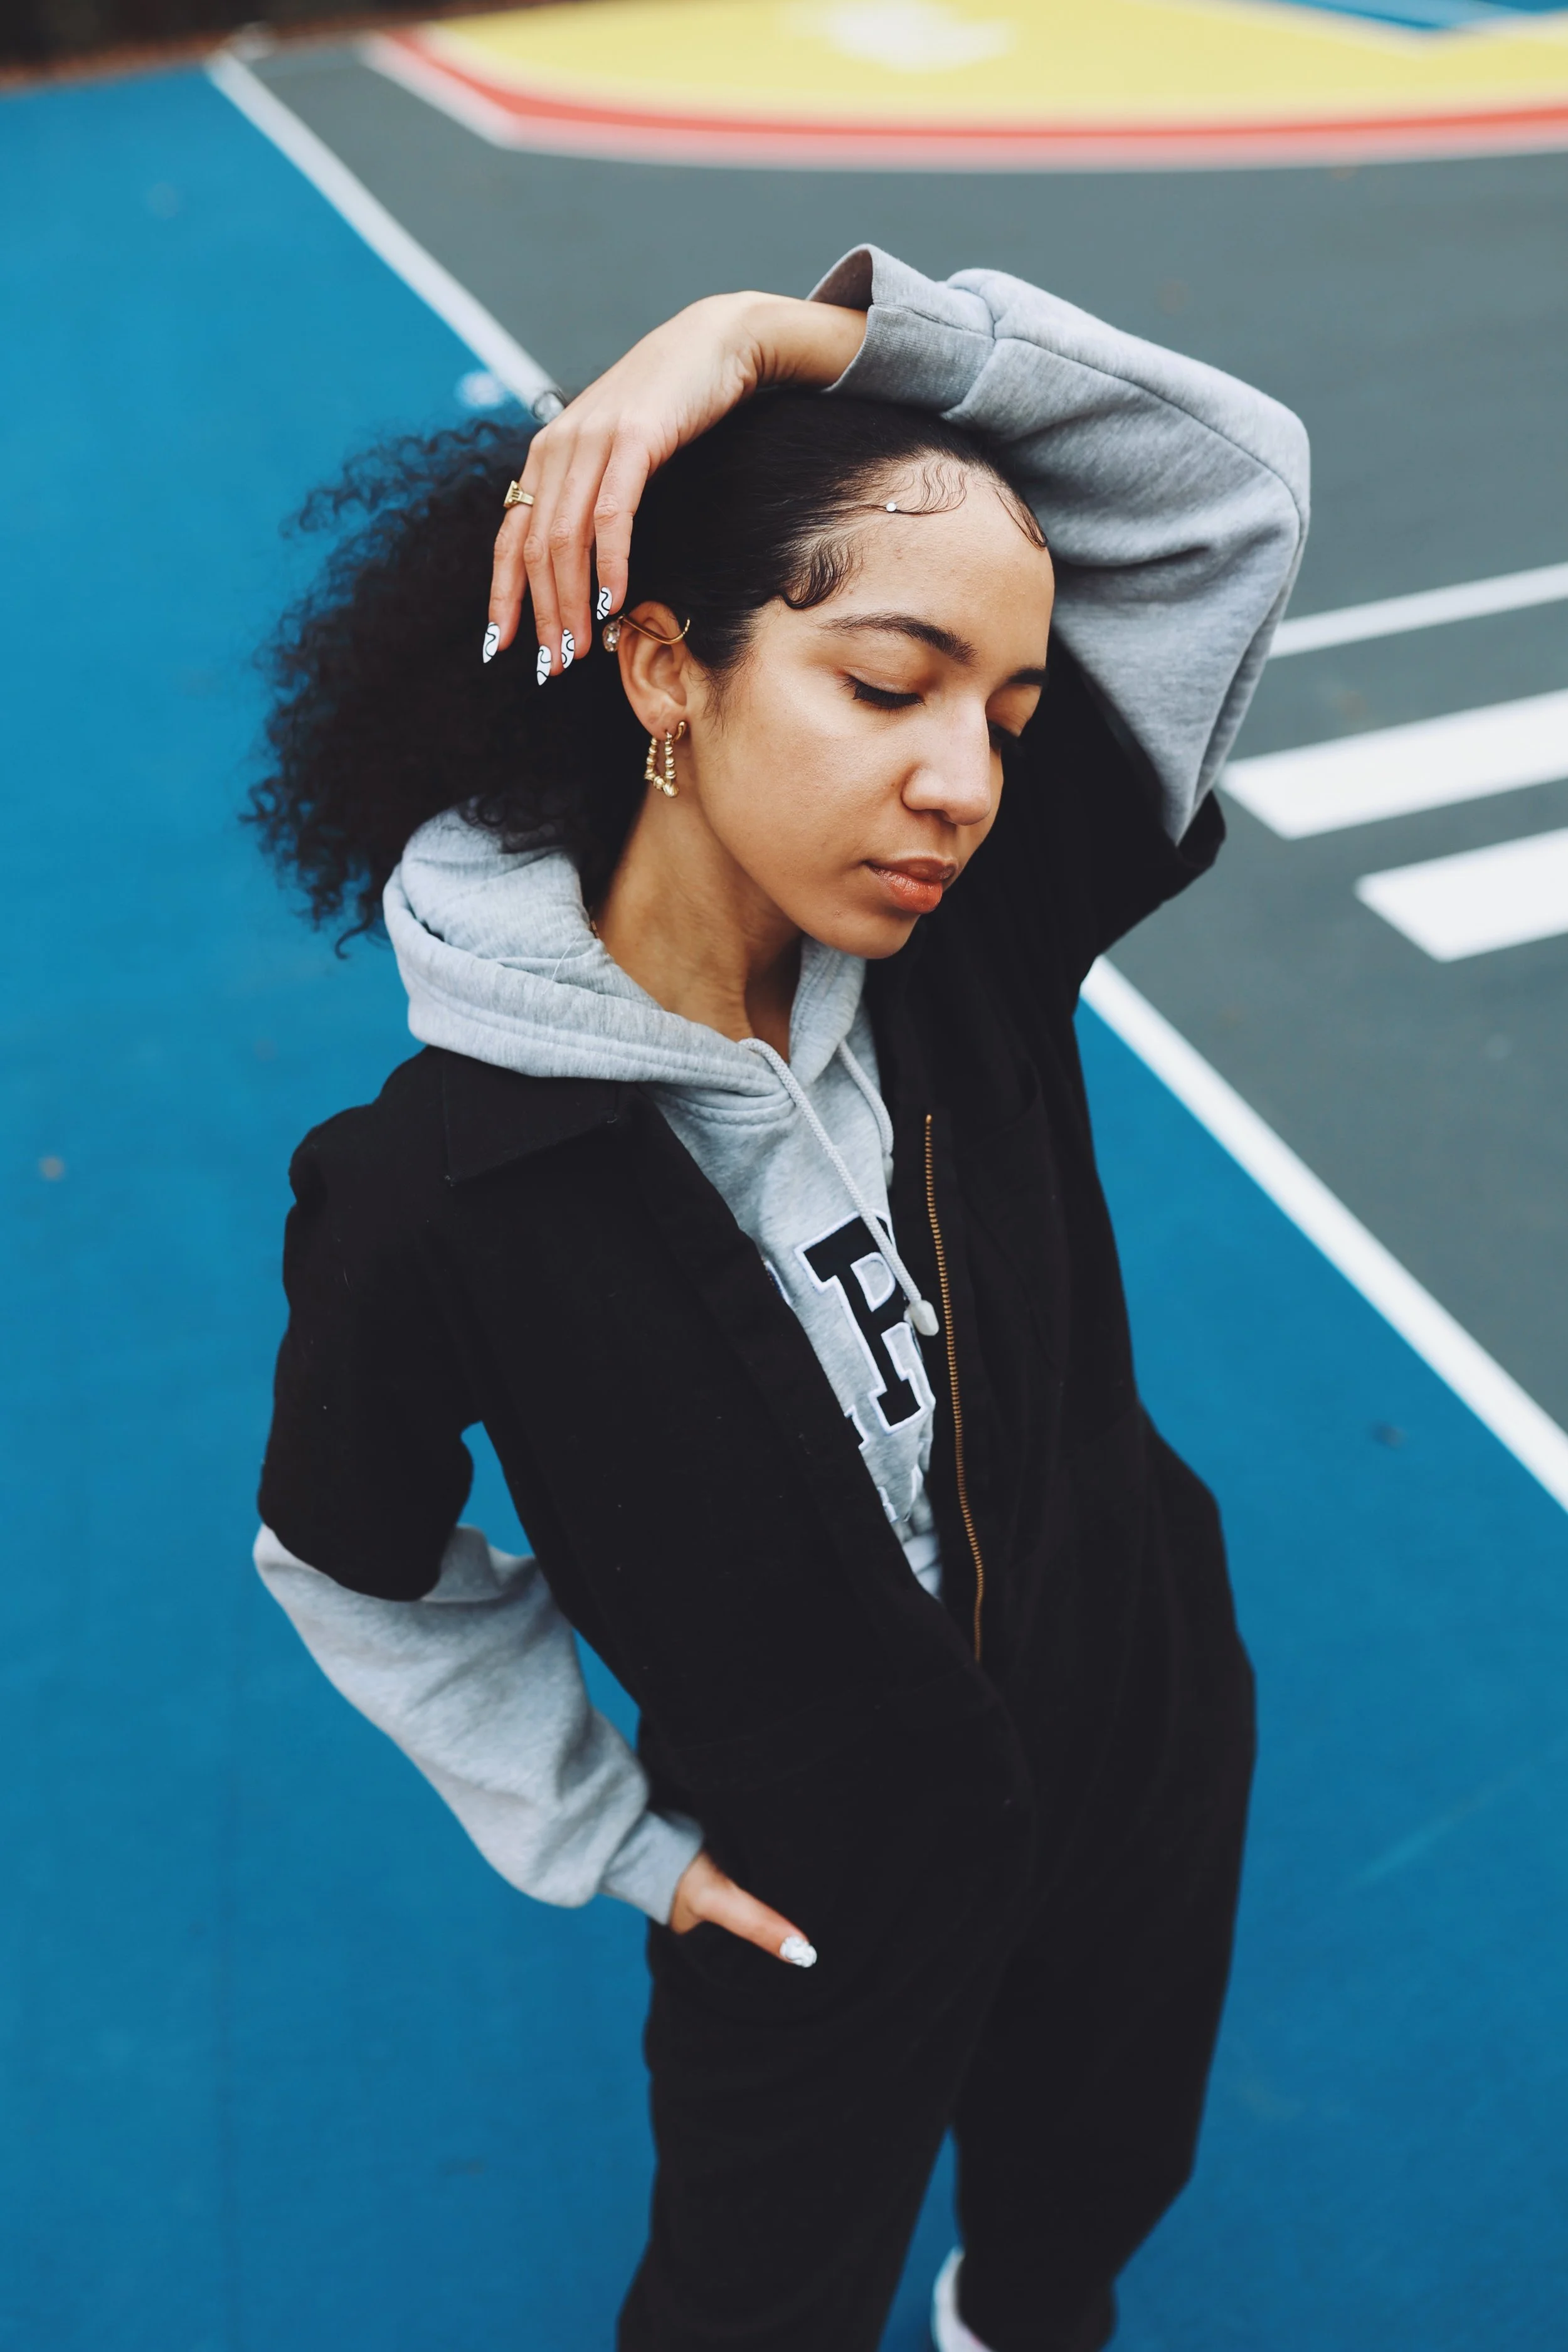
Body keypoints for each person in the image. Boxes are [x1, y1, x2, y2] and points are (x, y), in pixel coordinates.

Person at [250, 245, 1308, 2352]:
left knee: (1086, 2187)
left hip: (1133, 1714)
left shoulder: (969, 935)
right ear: (663, 668)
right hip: (817, 1873)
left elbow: (1230, 495)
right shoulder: (434, 1190)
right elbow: (351, 1554)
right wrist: (611, 1837)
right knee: (748, 2305)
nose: (964, 784)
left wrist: (776, 335)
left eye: (1006, 717)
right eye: (888, 682)